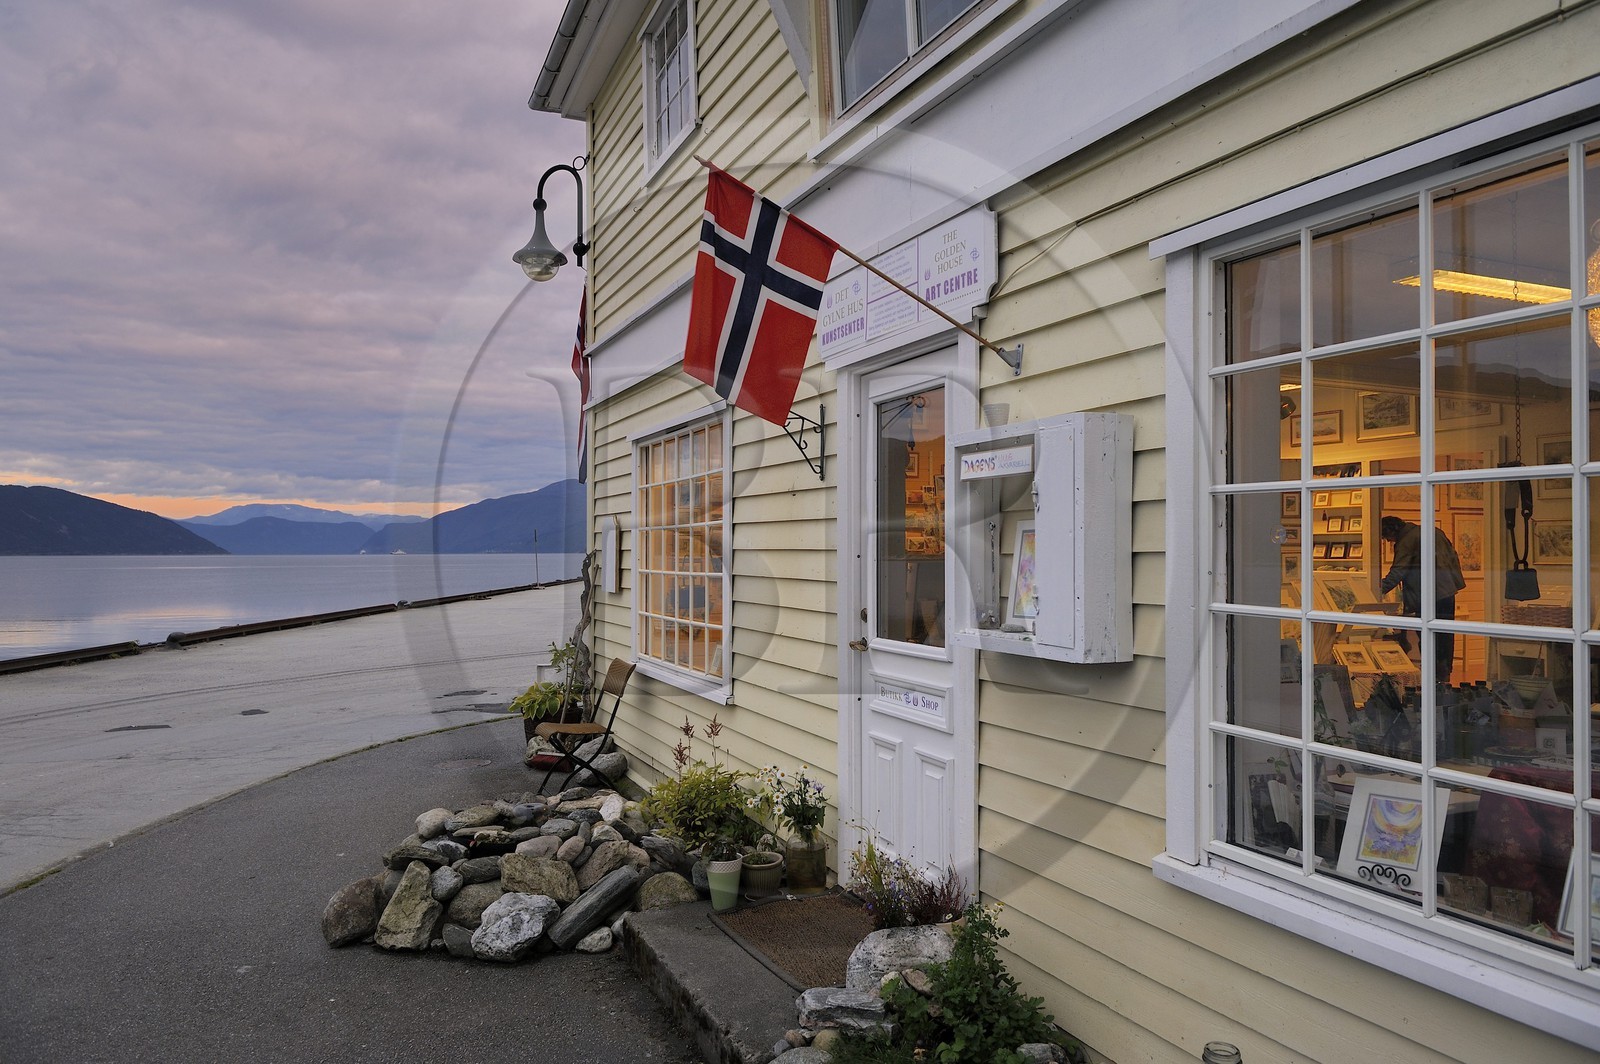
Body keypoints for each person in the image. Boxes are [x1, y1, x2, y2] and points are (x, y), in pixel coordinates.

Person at [1379, 515, 1467, 682]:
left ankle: (1432, 676)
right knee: (1445, 637)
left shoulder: (1407, 540)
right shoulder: (1435, 532)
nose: (1388, 541)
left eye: (1387, 538)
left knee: (1428, 638)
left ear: (1392, 531)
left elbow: (1398, 571)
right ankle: (1443, 675)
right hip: (1446, 592)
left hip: (1426, 595)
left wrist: (1376, 591)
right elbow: (1453, 557)